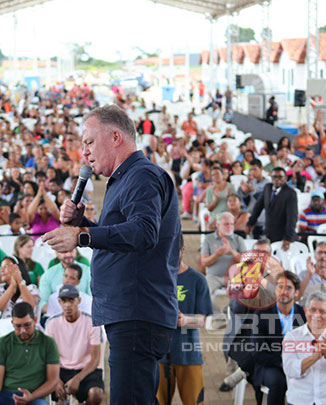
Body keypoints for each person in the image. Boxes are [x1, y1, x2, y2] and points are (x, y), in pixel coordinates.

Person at [43, 105, 181, 404]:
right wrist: (83, 224)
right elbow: (123, 239)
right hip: (133, 312)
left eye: (89, 142)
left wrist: (82, 236)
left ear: (115, 137)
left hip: (137, 312)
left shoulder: (141, 176)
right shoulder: (128, 178)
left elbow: (144, 232)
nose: (85, 152)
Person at [157, 242, 213, 405]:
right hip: (159, 353)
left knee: (194, 401)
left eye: (174, 251)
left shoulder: (197, 280)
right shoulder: (157, 279)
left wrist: (185, 320)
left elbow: (203, 320)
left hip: (188, 353)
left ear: (182, 249)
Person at [0, 302, 60, 405]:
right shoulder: (3, 342)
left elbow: (53, 380)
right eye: (18, 326)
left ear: (35, 320)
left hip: (34, 396)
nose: (23, 331)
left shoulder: (48, 342)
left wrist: (32, 397)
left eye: (27, 325)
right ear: (12, 323)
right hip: (5, 394)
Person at [281, 291, 326, 404]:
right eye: (313, 310)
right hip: (300, 401)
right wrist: (315, 357)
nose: (316, 315)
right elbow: (290, 370)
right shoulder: (292, 337)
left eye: (322, 311)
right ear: (305, 311)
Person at [250, 271, 306, 405]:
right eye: (280, 286)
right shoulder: (261, 314)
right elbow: (257, 353)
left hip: (297, 363)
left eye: (289, 288)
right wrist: (284, 362)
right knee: (278, 382)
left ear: (297, 293)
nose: (283, 291)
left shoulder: (303, 314)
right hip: (270, 364)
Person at [45, 285, 104, 405]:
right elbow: (47, 356)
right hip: (60, 369)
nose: (67, 305)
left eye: (71, 300)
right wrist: (56, 380)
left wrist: (78, 378)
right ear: (59, 302)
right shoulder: (52, 323)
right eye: (64, 301)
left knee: (96, 394)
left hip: (86, 369)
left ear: (79, 300)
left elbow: (95, 359)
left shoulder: (91, 322)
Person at [246, 167, 298, 247]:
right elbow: (258, 206)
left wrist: (288, 237)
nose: (277, 179)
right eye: (274, 177)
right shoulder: (267, 188)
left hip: (283, 235)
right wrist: (251, 222)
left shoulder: (291, 193)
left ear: (285, 178)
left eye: (280, 177)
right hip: (268, 232)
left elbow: (292, 217)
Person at [201, 212, 246, 293]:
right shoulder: (208, 239)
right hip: (213, 277)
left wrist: (231, 251)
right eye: (226, 224)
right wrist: (216, 255)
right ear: (218, 225)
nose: (229, 227)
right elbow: (204, 262)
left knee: (242, 293)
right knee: (205, 293)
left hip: (234, 277)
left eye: (231, 224)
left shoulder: (239, 239)